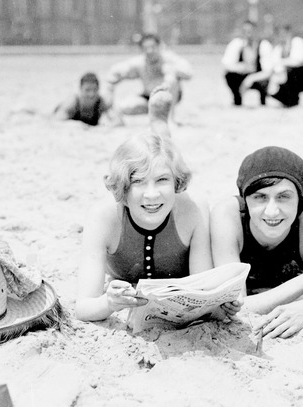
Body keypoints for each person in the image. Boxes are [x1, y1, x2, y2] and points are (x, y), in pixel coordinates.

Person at [74, 89, 212, 322]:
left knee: (164, 156)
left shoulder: (192, 209)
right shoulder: (104, 216)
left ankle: (159, 125)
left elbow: (204, 291)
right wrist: (109, 302)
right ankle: (158, 125)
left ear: (177, 184)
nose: (151, 194)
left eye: (163, 181)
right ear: (123, 188)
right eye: (137, 182)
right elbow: (83, 308)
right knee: (157, 162)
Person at [210, 146, 303, 339]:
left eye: (284, 197)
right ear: (245, 200)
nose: (272, 211)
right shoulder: (228, 216)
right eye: (260, 197)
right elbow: (235, 309)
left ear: (299, 200)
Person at [104, 34, 193, 117]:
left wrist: (172, 70)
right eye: (145, 48)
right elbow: (115, 72)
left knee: (171, 79)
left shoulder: (169, 59)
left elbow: (189, 72)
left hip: (169, 96)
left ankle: (170, 119)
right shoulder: (140, 63)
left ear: (159, 47)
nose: (149, 51)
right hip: (149, 97)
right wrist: (109, 90)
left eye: (152, 47)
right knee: (125, 106)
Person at [221, 20, 274, 106]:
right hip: (242, 75)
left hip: (258, 77)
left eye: (250, 31)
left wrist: (250, 79)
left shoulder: (264, 45)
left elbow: (268, 71)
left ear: (256, 31)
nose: (247, 34)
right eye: (245, 31)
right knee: (230, 76)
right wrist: (240, 67)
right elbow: (226, 64)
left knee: (265, 81)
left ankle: (263, 101)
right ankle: (237, 99)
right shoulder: (237, 43)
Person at [268, 25, 303, 108]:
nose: (282, 36)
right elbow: (274, 65)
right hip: (284, 78)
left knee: (292, 73)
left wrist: (282, 63)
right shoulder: (278, 49)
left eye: (284, 33)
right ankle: (289, 101)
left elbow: (298, 61)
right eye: (280, 34)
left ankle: (293, 99)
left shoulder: (297, 42)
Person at [54, 72, 121, 126]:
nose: (91, 94)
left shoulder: (102, 102)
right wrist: (79, 126)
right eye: (87, 90)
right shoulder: (73, 102)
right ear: (80, 89)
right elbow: (57, 121)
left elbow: (118, 122)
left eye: (95, 90)